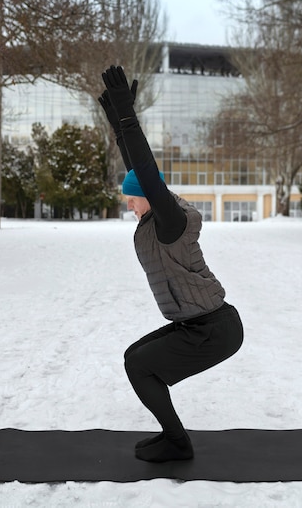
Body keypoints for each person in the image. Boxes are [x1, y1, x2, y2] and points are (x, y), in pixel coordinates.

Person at [99, 65, 244, 463]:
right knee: (135, 360)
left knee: (142, 368)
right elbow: (136, 168)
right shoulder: (153, 220)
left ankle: (177, 443)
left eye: (132, 197)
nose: (128, 203)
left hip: (215, 330)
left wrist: (128, 116)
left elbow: (145, 170)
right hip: (194, 325)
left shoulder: (170, 222)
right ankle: (173, 438)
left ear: (149, 196)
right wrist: (116, 119)